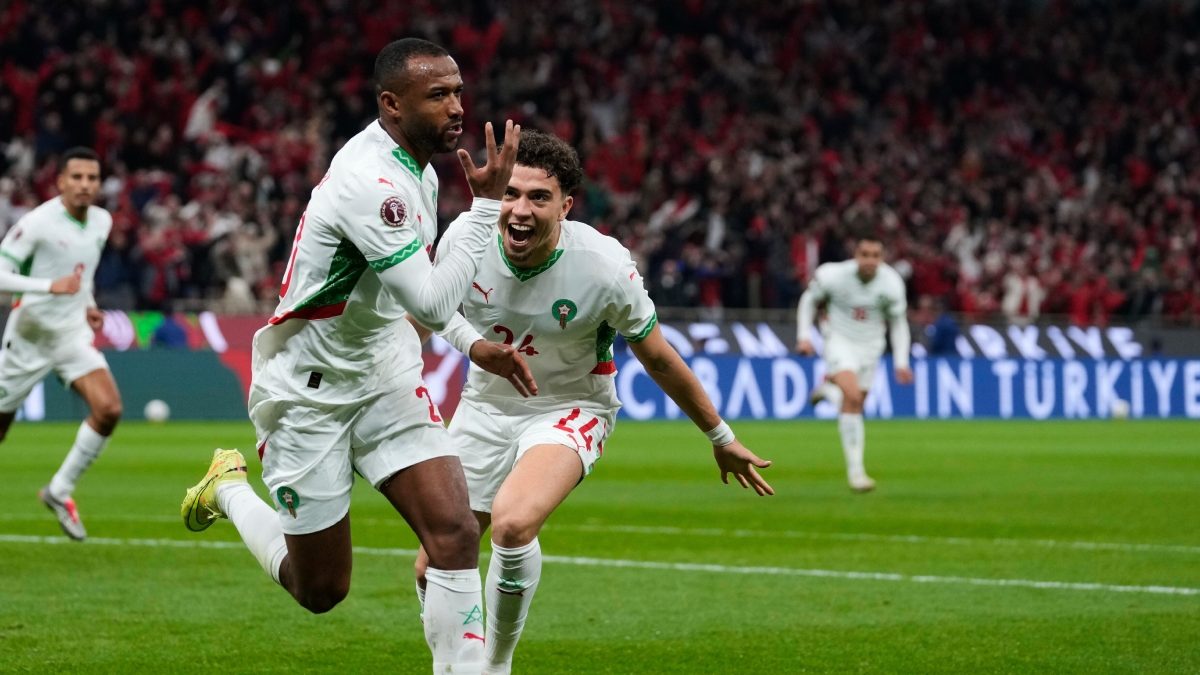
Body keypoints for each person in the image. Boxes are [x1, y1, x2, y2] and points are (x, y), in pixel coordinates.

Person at [179, 38, 531, 674]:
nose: (457, 107)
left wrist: (472, 343)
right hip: (309, 390)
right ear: (392, 104)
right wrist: (484, 207)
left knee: (455, 532)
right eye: (438, 95)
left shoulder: (419, 171)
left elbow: (409, 297)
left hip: (384, 371)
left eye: (457, 92)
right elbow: (430, 300)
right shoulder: (372, 183)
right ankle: (227, 488)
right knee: (320, 589)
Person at [411, 131, 774, 675]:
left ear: (566, 206)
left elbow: (658, 357)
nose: (520, 210)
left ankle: (495, 665)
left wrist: (720, 436)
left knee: (513, 524)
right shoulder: (467, 236)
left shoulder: (603, 265)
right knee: (430, 567)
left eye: (539, 197)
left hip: (572, 406)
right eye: (511, 194)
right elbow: (427, 315)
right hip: (484, 406)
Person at [0, 146, 121, 541]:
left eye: (92, 178)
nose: (85, 185)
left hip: (71, 333)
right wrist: (48, 286)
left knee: (109, 409)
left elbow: (82, 274)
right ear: (61, 182)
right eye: (77, 177)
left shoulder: (102, 221)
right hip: (29, 336)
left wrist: (88, 304)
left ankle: (59, 490)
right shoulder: (38, 223)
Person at [796, 232, 912, 492]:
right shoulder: (833, 275)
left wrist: (901, 362)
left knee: (854, 404)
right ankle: (857, 474)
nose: (870, 260)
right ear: (855, 255)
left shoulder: (892, 283)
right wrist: (804, 337)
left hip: (871, 348)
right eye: (865, 255)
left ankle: (829, 391)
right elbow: (808, 300)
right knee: (853, 397)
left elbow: (898, 324)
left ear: (882, 257)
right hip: (839, 341)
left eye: (875, 255)